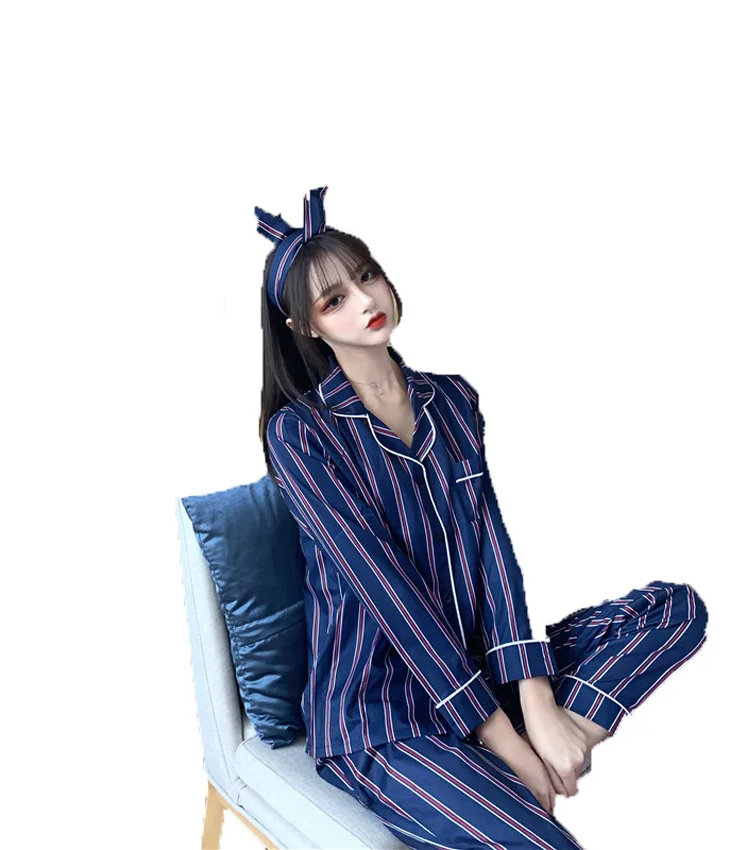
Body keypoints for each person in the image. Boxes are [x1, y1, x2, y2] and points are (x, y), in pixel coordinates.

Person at [257, 187, 709, 849]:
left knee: (676, 608)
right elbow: (388, 592)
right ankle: (508, 757)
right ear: (305, 327)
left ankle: (561, 741)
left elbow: (492, 548)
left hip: (482, 668)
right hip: (380, 711)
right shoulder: (300, 435)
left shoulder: (452, 400)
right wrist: (508, 742)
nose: (365, 300)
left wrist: (538, 702)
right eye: (334, 300)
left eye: (366, 276)